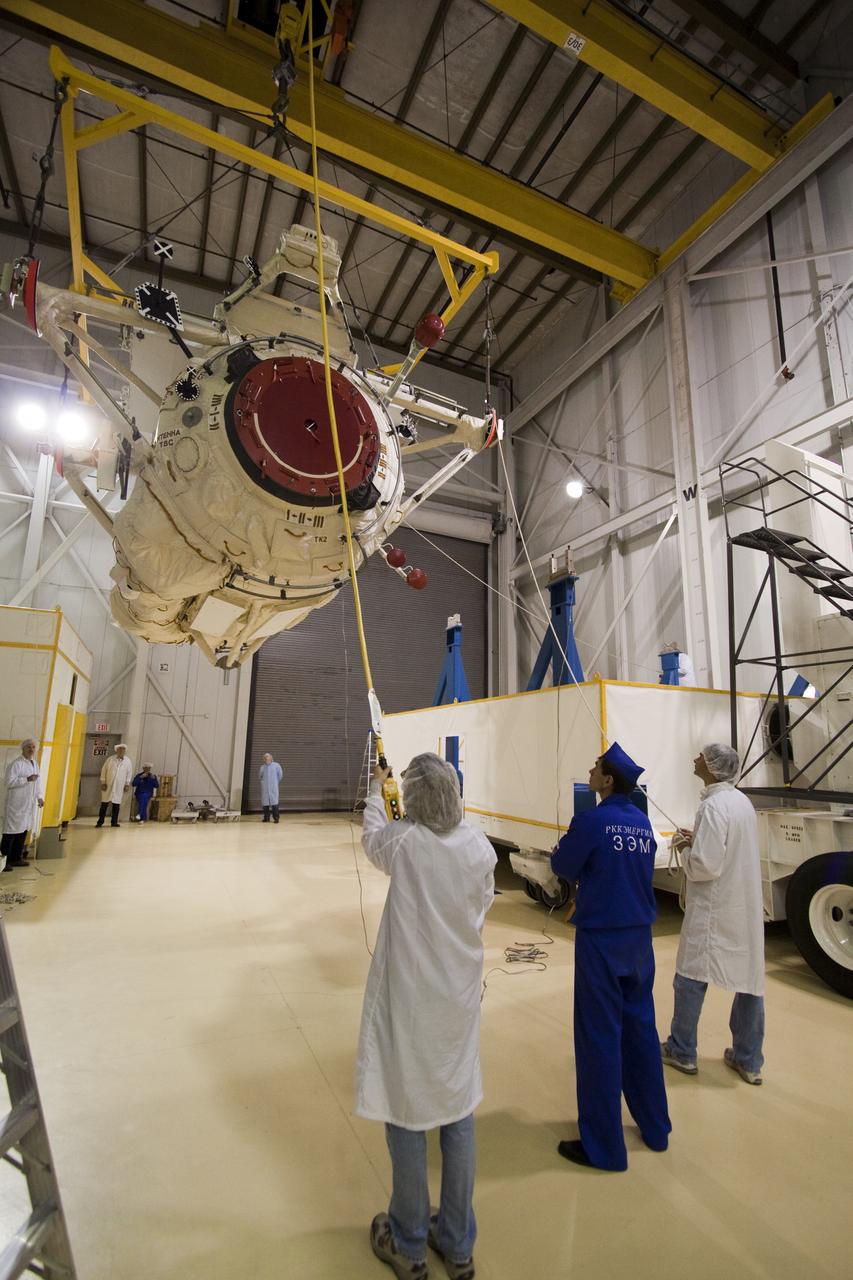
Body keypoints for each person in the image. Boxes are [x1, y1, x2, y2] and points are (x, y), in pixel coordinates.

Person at [357, 753, 495, 1280]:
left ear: (411, 797)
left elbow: (374, 836)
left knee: (407, 1109)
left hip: (411, 1001)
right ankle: (457, 1244)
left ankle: (410, 1243)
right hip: (458, 1000)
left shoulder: (405, 843)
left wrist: (376, 788)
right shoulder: (479, 846)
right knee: (458, 1110)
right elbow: (481, 904)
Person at [551, 742, 671, 1172]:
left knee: (599, 1037)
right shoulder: (642, 823)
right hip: (640, 941)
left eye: (595, 766)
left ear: (606, 780)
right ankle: (656, 1128)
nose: (590, 769)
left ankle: (603, 1147)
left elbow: (564, 867)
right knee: (640, 1033)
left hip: (601, 940)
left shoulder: (592, 821)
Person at [661, 743, 765, 1085]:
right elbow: (727, 845)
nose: (695, 758)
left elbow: (705, 865)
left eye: (701, 756)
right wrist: (698, 838)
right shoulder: (740, 803)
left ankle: (682, 1050)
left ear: (711, 766)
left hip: (715, 908)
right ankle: (749, 1059)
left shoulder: (713, 807)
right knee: (749, 982)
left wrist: (686, 847)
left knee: (690, 976)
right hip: (743, 906)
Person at [2, 739, 44, 871]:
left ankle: (16, 858)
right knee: (10, 833)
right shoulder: (16, 764)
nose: (31, 749)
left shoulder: (34, 764)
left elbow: (38, 783)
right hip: (16, 803)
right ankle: (4, 860)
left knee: (23, 831)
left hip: (28, 803)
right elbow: (9, 782)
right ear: (23, 748)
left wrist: (39, 797)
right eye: (28, 747)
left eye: (33, 747)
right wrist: (26, 779)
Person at [97, 743, 133, 828]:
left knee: (116, 805)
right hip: (108, 785)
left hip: (119, 786)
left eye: (123, 749)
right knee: (104, 804)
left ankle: (114, 822)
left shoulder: (127, 761)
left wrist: (127, 784)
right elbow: (104, 770)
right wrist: (103, 782)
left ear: (125, 751)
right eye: (119, 749)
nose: (121, 751)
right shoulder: (110, 759)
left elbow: (129, 773)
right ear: (116, 750)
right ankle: (100, 822)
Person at [259, 752, 283, 823]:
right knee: (265, 804)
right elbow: (260, 776)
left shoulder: (276, 765)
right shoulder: (262, 767)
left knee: (274, 804)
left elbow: (280, 775)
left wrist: (275, 782)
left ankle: (276, 818)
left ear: (271, 758)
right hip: (265, 788)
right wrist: (263, 783)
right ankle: (266, 818)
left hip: (273, 788)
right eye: (265, 758)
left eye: (268, 757)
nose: (266, 759)